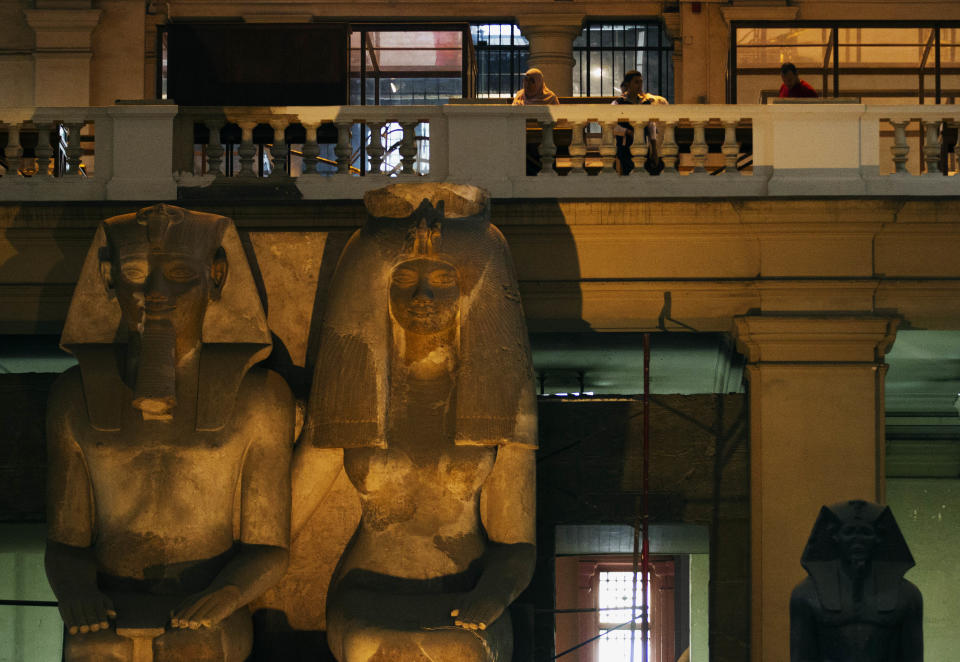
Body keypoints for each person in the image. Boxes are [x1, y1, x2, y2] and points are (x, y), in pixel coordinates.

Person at [293, 184, 537, 662]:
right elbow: (283, 521)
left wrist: (494, 595)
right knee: (372, 645)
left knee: (461, 648)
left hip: (470, 596)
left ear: (471, 289)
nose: (422, 295)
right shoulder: (355, 391)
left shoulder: (504, 396)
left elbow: (516, 545)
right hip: (367, 590)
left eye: (443, 281)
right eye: (404, 281)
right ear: (376, 286)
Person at [45, 204, 294, 662]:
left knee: (189, 646)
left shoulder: (258, 396)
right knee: (94, 647)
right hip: (111, 605)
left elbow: (269, 547)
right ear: (107, 276)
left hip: (211, 607)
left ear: (215, 276)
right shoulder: (75, 394)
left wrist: (227, 593)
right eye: (136, 272)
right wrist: (76, 590)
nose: (155, 291)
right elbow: (66, 543)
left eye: (179, 272)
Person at [790, 500, 922, 662]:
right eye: (850, 532)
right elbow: (801, 656)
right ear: (835, 536)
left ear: (878, 537)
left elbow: (913, 657)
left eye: (865, 532)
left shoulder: (907, 595)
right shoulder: (806, 594)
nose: (857, 539)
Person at [612, 69, 668, 175]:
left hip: (643, 145)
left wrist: (654, 150)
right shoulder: (618, 103)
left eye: (641, 82)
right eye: (636, 82)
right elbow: (612, 126)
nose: (640, 85)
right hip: (625, 146)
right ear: (628, 84)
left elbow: (651, 126)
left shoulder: (645, 103)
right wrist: (628, 132)